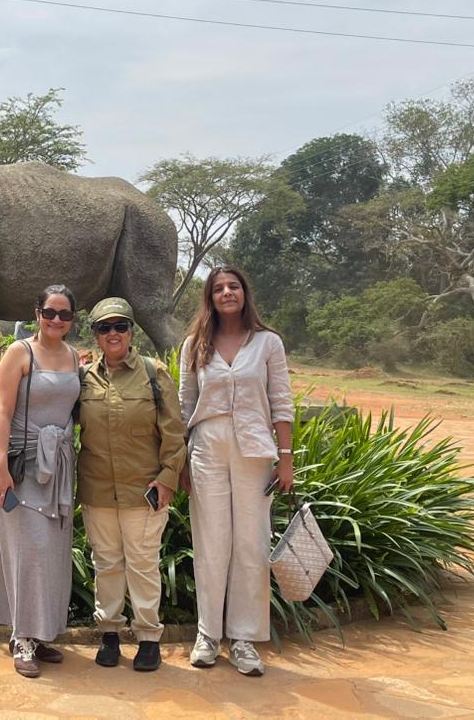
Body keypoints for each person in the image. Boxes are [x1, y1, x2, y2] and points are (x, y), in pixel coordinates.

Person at [178, 266, 293, 677]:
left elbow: (281, 401)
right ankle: (207, 634)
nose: (227, 293)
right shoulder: (194, 344)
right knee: (211, 544)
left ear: (245, 293)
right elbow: (184, 406)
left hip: (254, 451)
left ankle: (244, 638)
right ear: (209, 298)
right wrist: (179, 462)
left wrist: (286, 458)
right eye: (219, 288)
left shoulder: (267, 343)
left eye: (234, 286)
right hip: (207, 448)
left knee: (251, 544)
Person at [76, 297, 187, 672]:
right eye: (105, 327)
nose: (113, 334)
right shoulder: (84, 378)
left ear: (131, 331)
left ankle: (148, 639)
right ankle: (109, 634)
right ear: (95, 334)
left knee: (142, 565)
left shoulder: (154, 374)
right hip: (98, 489)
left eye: (120, 326)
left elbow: (174, 434)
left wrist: (168, 479)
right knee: (106, 564)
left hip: (144, 489)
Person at [0, 284, 81, 678]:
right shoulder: (18, 352)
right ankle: (21, 636)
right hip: (23, 465)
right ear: (36, 312)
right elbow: (3, 412)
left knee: (52, 550)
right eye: (49, 312)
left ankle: (41, 634)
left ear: (73, 320)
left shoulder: (75, 356)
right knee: (27, 548)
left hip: (58, 466)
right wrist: (0, 465)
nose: (56, 320)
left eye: (64, 314)